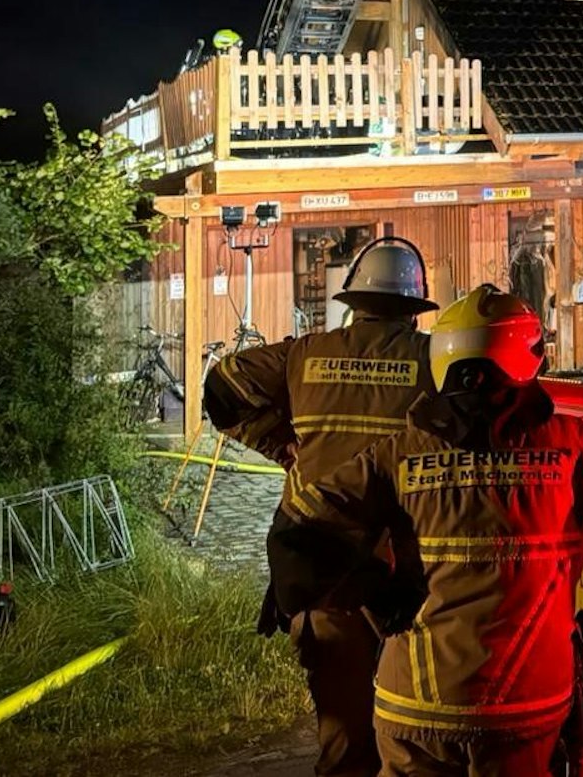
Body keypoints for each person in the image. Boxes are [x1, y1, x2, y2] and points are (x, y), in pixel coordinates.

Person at [265, 285, 583, 777]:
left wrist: (373, 592)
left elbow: (297, 535)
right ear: (529, 358)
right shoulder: (576, 446)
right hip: (521, 716)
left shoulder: (398, 455)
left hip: (414, 707)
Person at [203, 237, 439, 777]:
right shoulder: (431, 361)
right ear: (414, 308)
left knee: (343, 735)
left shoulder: (304, 354)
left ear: (354, 301)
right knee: (416, 734)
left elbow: (221, 388)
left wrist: (281, 446)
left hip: (319, 570)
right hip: (404, 576)